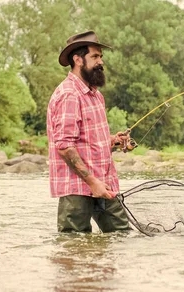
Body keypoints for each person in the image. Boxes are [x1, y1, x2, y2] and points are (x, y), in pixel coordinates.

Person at [47, 30, 131, 233]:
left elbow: (86, 140)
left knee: (121, 236)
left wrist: (113, 141)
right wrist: (92, 182)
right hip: (77, 189)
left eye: (100, 56)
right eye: (94, 56)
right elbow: (65, 147)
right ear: (78, 60)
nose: (100, 62)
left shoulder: (95, 95)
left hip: (104, 183)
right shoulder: (69, 95)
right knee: (74, 248)